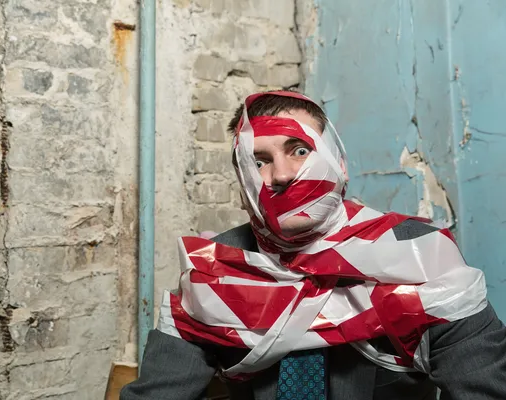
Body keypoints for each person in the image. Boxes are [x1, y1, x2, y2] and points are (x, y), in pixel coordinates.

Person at [121, 91, 506, 400]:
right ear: (243, 186)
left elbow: (483, 384)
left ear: (340, 164)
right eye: (258, 161)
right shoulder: (214, 272)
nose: (283, 174)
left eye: (300, 150)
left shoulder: (421, 257)